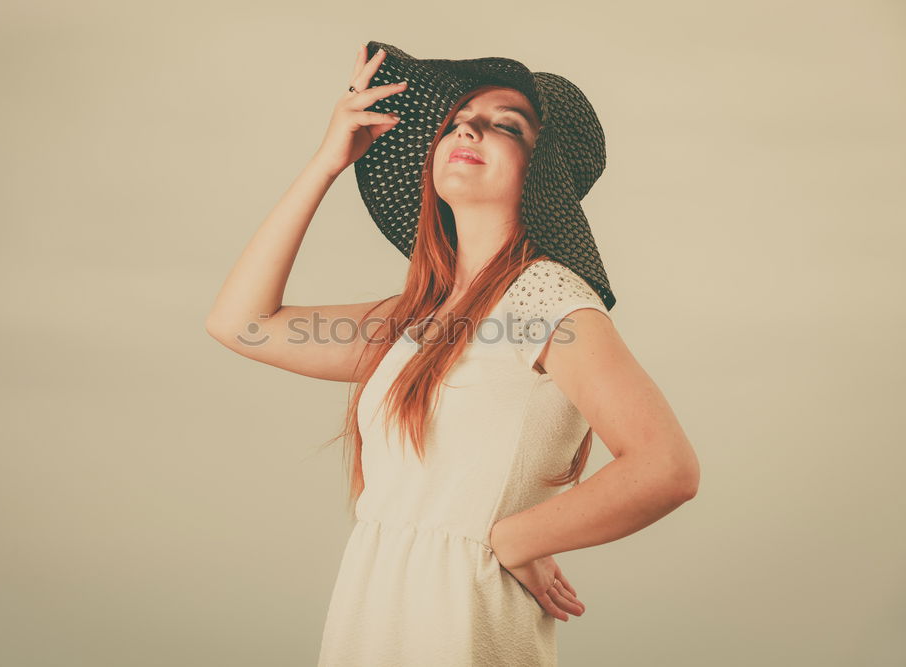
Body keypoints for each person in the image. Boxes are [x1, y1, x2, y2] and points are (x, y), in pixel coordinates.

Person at [206, 41, 700, 667]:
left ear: (538, 176)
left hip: (458, 618)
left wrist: (511, 538)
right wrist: (326, 164)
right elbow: (241, 324)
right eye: (460, 117)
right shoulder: (416, 318)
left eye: (507, 126)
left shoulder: (545, 297)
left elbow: (667, 468)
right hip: (377, 611)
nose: (469, 125)